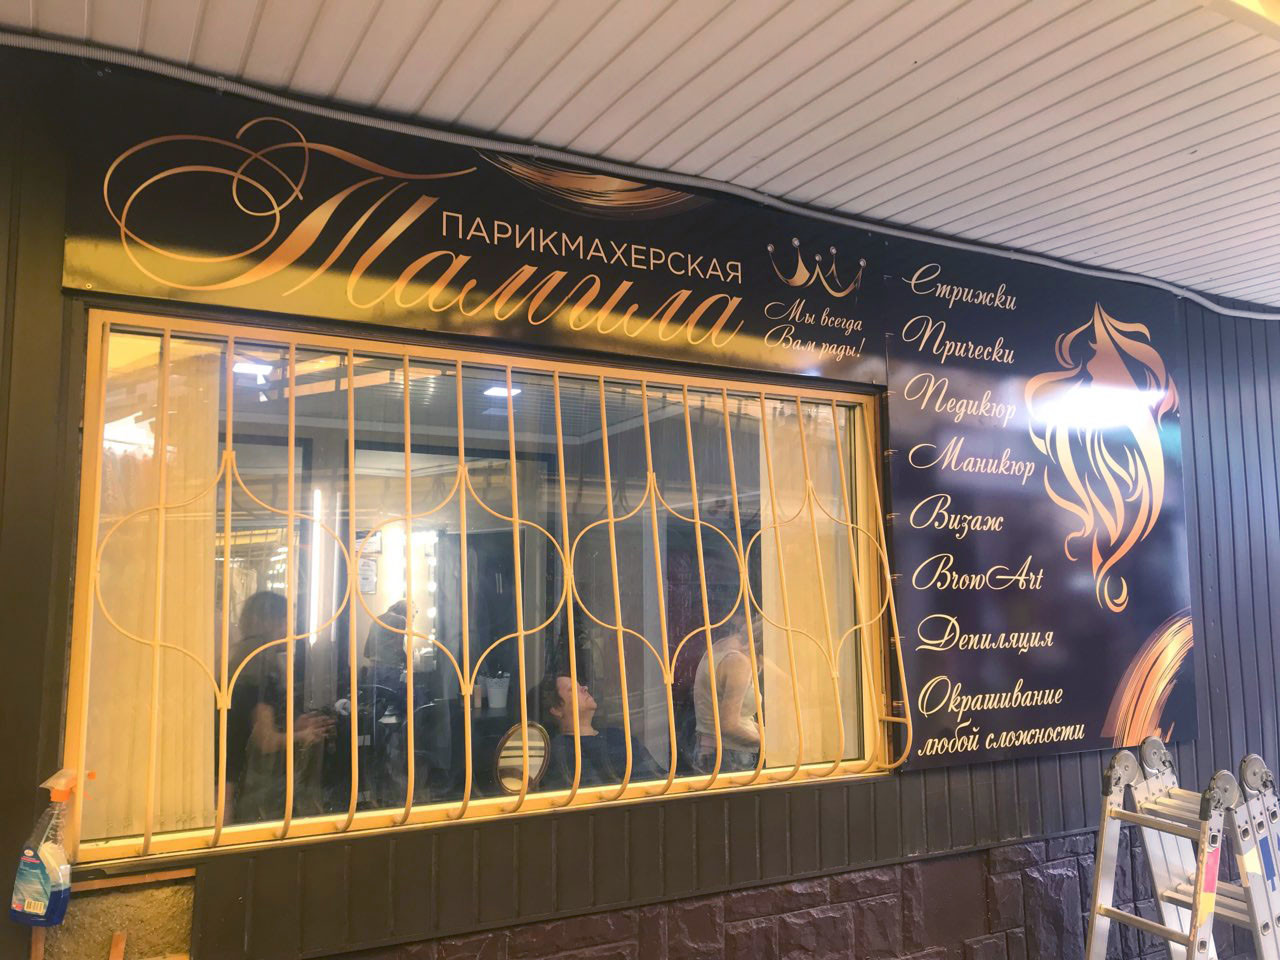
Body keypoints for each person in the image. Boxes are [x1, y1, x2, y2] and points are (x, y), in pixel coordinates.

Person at [226, 590, 334, 823]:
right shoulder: (260, 663)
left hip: (230, 772)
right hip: (248, 783)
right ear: (270, 621)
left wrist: (296, 725)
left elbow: (249, 721)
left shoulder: (241, 654)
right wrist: (304, 735)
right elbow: (264, 741)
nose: (290, 628)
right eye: (286, 620)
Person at [538, 674, 663, 789]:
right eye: (572, 689)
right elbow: (596, 791)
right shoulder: (563, 748)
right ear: (556, 710)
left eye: (580, 685)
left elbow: (660, 775)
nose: (585, 688)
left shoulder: (616, 734)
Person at [692, 615, 761, 773]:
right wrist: (767, 742)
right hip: (730, 755)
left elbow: (740, 718)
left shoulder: (720, 647)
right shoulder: (739, 662)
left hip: (711, 749)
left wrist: (763, 730)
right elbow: (729, 726)